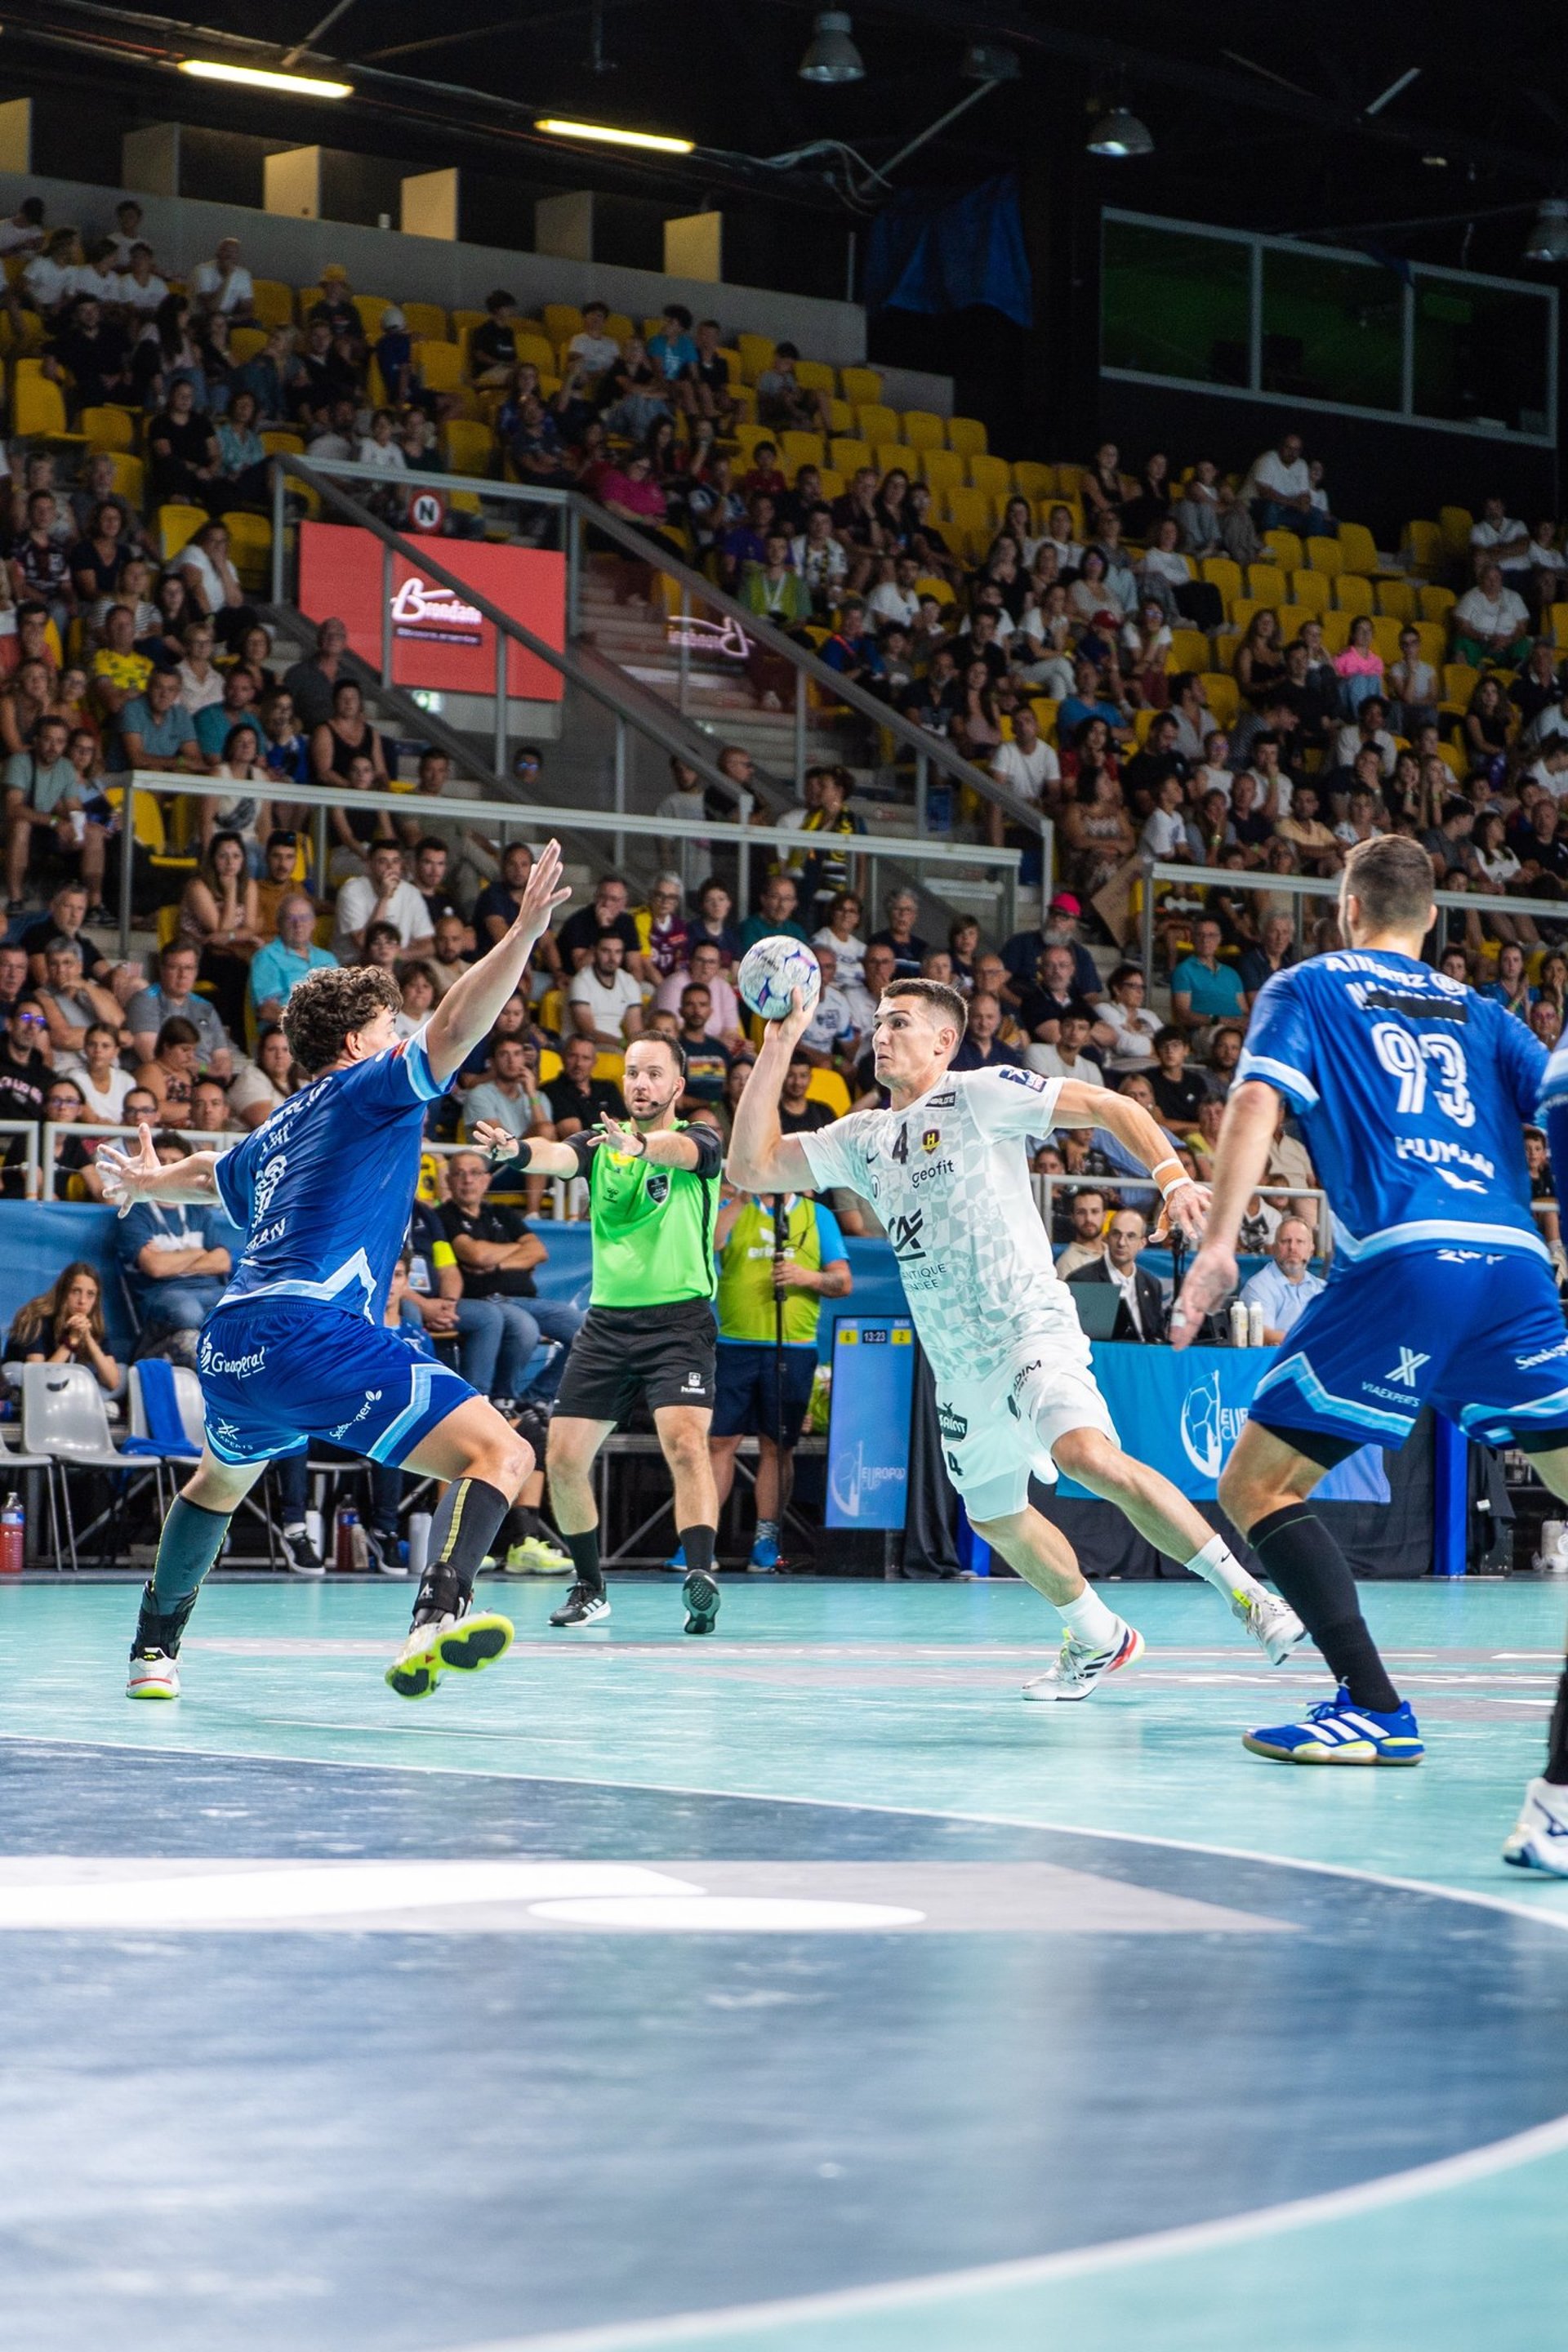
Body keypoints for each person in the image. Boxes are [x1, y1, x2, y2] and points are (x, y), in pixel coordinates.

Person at [728, 978, 1303, 1697]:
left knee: (1085, 1454)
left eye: (899, 1023)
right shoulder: (862, 1139)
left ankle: (1249, 1595)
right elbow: (748, 1166)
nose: (880, 1034)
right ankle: (1098, 1635)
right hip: (959, 1367)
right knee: (995, 1517)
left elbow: (1109, 1102)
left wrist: (1173, 1177)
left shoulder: (980, 1094)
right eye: (877, 1022)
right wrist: (778, 1041)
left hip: (1028, 1324)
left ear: (943, 1042)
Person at [98, 840, 572, 1703]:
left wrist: (150, 1175)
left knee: (217, 1482)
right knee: (501, 1452)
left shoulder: (280, 1124)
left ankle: (153, 1653)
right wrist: (524, 936)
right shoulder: (370, 1087)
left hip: (232, 1341)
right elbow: (459, 1026)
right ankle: (437, 1618)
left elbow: (215, 1173)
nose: (405, 1040)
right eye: (393, 1027)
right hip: (315, 1331)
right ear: (359, 1040)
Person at [1173, 835, 1568, 1774]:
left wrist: (1221, 1245)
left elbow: (1256, 1103)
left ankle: (1374, 1706)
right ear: (1433, 919)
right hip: (1515, 1263)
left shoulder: (1307, 987)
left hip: (1406, 1257)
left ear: (1347, 909)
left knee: (1255, 1487)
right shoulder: (1485, 1010)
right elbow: (1557, 1098)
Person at [473, 1031, 727, 1638]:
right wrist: (516, 1151)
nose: (641, 1083)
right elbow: (558, 1156)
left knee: (686, 1444)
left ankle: (701, 1579)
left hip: (679, 1322)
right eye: (633, 1073)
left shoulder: (700, 1138)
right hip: (608, 1325)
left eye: (653, 1074)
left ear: (676, 1086)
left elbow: (681, 1154)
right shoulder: (599, 1143)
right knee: (560, 1460)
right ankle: (590, 1587)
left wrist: (639, 1145)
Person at [709, 1186, 851, 1572]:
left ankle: (766, 1538)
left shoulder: (817, 1216)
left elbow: (843, 1281)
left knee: (777, 1445)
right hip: (734, 1345)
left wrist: (807, 1277)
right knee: (719, 1441)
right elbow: (713, 1242)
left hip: (794, 1347)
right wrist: (740, 1197)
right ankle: (700, 1539)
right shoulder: (732, 1206)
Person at [439, 1150, 585, 1406]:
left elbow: (538, 1252)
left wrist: (497, 1265)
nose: (467, 1180)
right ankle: (502, 1399)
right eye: (459, 1174)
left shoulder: (501, 1213)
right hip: (485, 1301)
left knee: (587, 1332)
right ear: (449, 1181)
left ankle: (536, 1399)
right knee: (524, 1326)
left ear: (487, 1180)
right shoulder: (444, 1216)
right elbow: (475, 1255)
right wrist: (516, 1251)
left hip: (527, 1300)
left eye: (475, 1173)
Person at [4, 1259, 121, 1395]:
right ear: (63, 1292)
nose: (82, 1301)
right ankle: (87, 1403)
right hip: (30, 1388)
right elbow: (39, 1379)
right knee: (15, 1371)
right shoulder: (35, 1317)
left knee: (121, 1372)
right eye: (76, 1291)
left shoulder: (92, 1324)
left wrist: (88, 1338)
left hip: (65, 1385)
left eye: (90, 1294)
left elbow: (113, 1382)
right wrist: (71, 1342)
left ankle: (81, 1402)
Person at [1065, 1208, 1163, 1342]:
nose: (1122, 1243)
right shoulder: (1082, 1281)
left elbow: (1157, 1335)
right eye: (1116, 1234)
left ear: (1142, 1244)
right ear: (1106, 1238)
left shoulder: (1152, 1284)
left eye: (1131, 1236)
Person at [1239, 1217, 1325, 1344]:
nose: (1292, 1248)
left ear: (1311, 1250)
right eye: (1285, 1241)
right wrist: (1312, 1341)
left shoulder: (1322, 1288)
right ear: (1274, 1248)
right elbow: (1262, 1334)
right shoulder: (1259, 1286)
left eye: (1300, 1242)